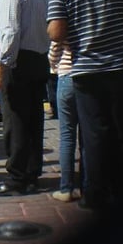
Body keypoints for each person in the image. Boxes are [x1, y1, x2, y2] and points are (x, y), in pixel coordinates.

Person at [47, 0, 123, 211]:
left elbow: (57, 32)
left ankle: (96, 195)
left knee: (93, 135)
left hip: (85, 70)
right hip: (120, 67)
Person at [0, 0, 50, 196]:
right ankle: (32, 174)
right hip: (39, 59)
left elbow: (11, 31)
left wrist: (2, 66)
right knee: (35, 119)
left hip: (18, 61)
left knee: (15, 121)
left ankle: (16, 177)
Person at [48, 40, 83, 202]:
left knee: (67, 136)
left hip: (67, 76)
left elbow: (53, 54)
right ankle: (86, 186)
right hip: (87, 75)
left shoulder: (65, 19)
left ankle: (66, 188)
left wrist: (54, 64)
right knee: (87, 136)